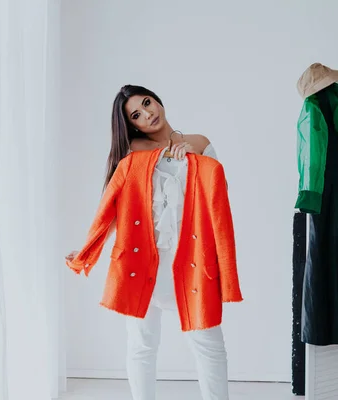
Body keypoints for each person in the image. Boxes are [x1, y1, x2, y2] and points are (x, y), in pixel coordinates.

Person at [65, 85, 231, 400]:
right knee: (141, 346)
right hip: (142, 264)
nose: (148, 114)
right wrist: (89, 249)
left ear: (157, 100)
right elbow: (114, 209)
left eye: (147, 103)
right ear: (133, 125)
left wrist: (190, 153)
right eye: (137, 115)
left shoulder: (199, 143)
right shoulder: (132, 154)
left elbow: (220, 195)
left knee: (210, 345)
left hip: (191, 263)